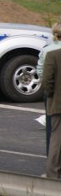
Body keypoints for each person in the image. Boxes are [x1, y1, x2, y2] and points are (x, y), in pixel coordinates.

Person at [37, 22, 61, 156]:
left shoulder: (46, 49)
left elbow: (40, 70)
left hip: (51, 92)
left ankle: (50, 155)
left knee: (52, 128)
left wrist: (48, 91)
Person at [41, 47, 61, 179]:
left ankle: (53, 174)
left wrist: (50, 96)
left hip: (58, 104)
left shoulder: (53, 55)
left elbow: (47, 81)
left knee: (57, 138)